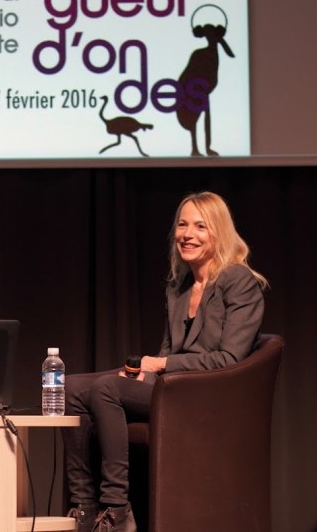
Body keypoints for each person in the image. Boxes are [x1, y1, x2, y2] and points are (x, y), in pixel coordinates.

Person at [63, 191, 268, 532]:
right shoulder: (180, 286)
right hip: (173, 387)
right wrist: (143, 373)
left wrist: (160, 366)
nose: (188, 234)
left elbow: (230, 359)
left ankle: (117, 509)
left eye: (200, 226)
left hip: (208, 396)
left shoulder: (239, 281)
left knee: (105, 389)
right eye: (183, 225)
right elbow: (169, 349)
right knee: (71, 387)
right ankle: (84, 506)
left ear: (219, 233)